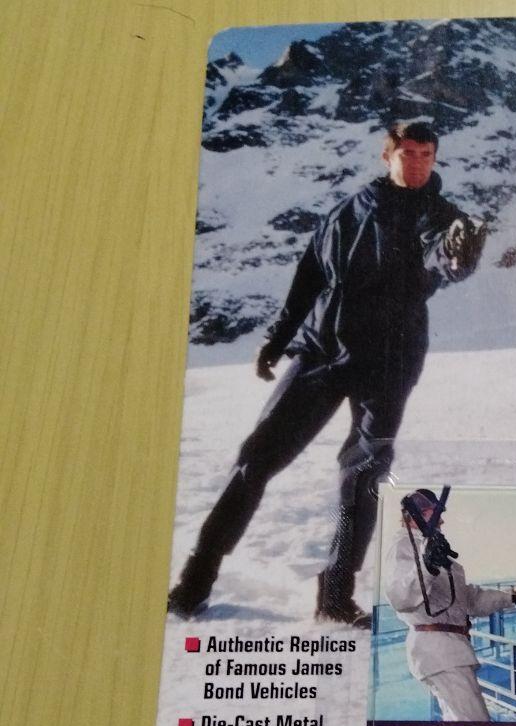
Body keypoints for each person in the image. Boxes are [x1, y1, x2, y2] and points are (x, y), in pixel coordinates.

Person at [167, 122, 487, 625]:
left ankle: (335, 599)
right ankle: (194, 581)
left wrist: (456, 251)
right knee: (255, 458)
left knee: (362, 475)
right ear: (387, 156)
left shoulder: (440, 216)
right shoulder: (346, 211)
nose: (418, 163)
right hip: (321, 352)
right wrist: (277, 338)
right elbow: (309, 277)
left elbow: (443, 257)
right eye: (408, 153)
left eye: (427, 154)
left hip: (388, 361)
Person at [382, 489, 516, 723]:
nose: (441, 520)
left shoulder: (431, 547)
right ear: (416, 515)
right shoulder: (404, 545)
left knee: (460, 725)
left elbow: (469, 599)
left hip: (450, 650)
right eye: (434, 513)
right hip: (438, 650)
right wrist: (428, 566)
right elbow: (400, 597)